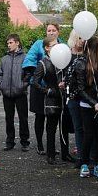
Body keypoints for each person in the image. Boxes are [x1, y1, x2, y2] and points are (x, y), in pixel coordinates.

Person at [23, 22, 62, 155]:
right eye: (48, 30)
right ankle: (40, 145)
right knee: (40, 117)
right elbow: (30, 59)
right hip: (40, 87)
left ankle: (51, 145)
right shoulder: (38, 44)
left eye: (53, 30)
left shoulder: (63, 46)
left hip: (55, 89)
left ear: (58, 32)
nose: (51, 32)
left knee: (53, 119)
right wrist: (40, 73)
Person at [75, 36, 98, 179]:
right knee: (88, 135)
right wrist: (93, 103)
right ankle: (84, 163)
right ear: (95, 48)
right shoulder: (81, 63)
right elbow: (80, 89)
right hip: (87, 105)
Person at [33, 36, 66, 164]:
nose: (57, 46)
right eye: (53, 45)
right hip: (52, 100)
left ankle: (65, 154)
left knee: (64, 128)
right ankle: (50, 155)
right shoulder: (43, 63)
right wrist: (47, 91)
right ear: (47, 48)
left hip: (64, 98)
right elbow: (35, 82)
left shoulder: (63, 60)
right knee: (51, 128)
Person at [0, 34, 29, 152]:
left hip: (20, 93)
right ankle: (10, 141)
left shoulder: (25, 58)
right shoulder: (4, 59)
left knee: (23, 118)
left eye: (11, 43)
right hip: (7, 94)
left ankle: (25, 141)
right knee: (8, 118)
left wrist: (23, 85)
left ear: (17, 43)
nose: (8, 45)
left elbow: (29, 74)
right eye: (8, 43)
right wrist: (2, 85)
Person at [65, 30, 85, 167]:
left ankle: (89, 154)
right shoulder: (67, 56)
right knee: (78, 127)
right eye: (79, 37)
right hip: (73, 96)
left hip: (87, 96)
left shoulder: (88, 55)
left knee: (88, 127)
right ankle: (81, 156)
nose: (82, 40)